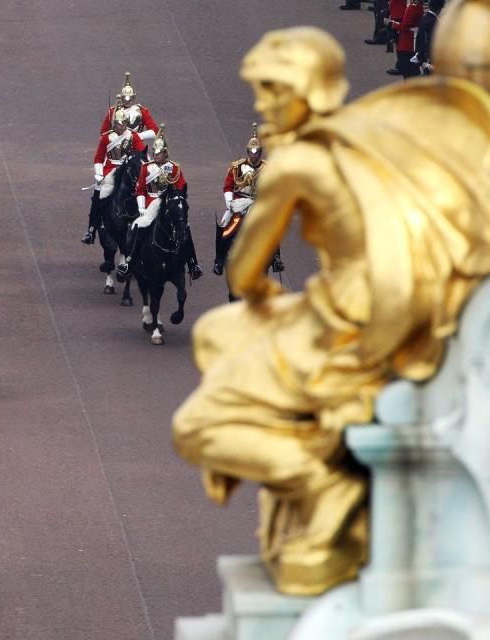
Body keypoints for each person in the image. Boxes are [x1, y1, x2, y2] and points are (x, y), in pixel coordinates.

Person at [173, 24, 490, 594]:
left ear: (309, 92)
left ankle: (325, 483)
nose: (263, 104)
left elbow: (244, 271)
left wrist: (264, 297)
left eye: (273, 90)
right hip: (405, 309)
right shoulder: (380, 137)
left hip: (346, 319)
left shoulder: (297, 161)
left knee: (197, 423)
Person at [115, 127, 201, 279]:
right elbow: (140, 189)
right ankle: (129, 260)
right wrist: (141, 207)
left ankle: (193, 263)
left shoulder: (174, 168)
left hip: (168, 203)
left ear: (165, 153)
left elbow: (180, 187)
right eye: (154, 152)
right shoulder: (146, 168)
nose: (155, 155)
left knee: (185, 228)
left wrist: (175, 200)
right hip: (150, 202)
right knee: (140, 225)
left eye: (159, 153)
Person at [213, 124, 282, 277]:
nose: (254, 155)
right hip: (240, 203)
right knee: (225, 228)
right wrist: (230, 203)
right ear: (247, 152)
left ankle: (276, 259)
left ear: (260, 153)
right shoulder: (237, 167)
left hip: (259, 203)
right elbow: (228, 187)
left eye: (256, 152)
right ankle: (219, 261)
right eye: (251, 152)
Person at [82, 108, 146, 244]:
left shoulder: (133, 136)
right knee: (100, 194)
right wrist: (99, 174)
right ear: (114, 124)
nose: (121, 126)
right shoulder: (107, 137)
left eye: (124, 124)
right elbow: (98, 158)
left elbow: (141, 154)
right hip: (111, 170)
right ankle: (92, 228)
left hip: (128, 169)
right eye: (119, 124)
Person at [99, 73, 158, 145]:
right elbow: (103, 133)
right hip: (116, 146)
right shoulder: (113, 111)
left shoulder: (142, 111)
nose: (128, 101)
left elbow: (155, 131)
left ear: (133, 98)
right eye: (125, 98)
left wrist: (138, 136)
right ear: (122, 98)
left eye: (130, 98)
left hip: (136, 146)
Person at [392, 0, 424, 77]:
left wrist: (393, 24)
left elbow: (405, 26)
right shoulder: (414, 4)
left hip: (409, 42)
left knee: (408, 72)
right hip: (409, 39)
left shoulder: (414, 6)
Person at [412, 0, 444, 75]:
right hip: (429, 58)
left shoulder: (425, 18)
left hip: (422, 55)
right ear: (440, 9)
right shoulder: (434, 22)